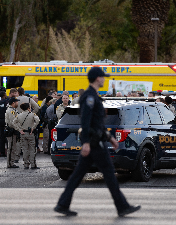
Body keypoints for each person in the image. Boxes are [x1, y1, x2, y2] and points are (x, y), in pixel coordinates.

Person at [54, 67, 141, 217]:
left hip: (97, 141)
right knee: (109, 174)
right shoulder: (89, 97)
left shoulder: (94, 96)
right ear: (97, 78)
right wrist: (86, 142)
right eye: (102, 77)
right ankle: (122, 206)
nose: (104, 79)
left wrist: (110, 138)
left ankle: (63, 204)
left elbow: (98, 123)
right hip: (94, 144)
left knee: (79, 175)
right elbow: (86, 121)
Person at [13, 103, 40, 169]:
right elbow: (37, 120)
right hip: (30, 133)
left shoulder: (19, 115)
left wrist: (19, 130)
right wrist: (33, 127)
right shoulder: (32, 114)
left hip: (23, 134)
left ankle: (26, 164)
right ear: (28, 108)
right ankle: (33, 164)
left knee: (25, 149)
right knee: (32, 149)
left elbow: (14, 122)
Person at [5, 97, 20, 168]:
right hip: (11, 130)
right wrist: (18, 129)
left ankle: (11, 162)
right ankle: (10, 163)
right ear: (13, 103)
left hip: (13, 130)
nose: (18, 103)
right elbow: (13, 122)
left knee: (13, 147)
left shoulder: (13, 110)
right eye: (17, 102)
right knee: (11, 147)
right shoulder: (11, 111)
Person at [0, 91, 8, 157]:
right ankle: (8, 151)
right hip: (5, 120)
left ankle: (2, 152)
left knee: (1, 136)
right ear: (4, 95)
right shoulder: (6, 102)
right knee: (7, 136)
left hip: (0, 119)